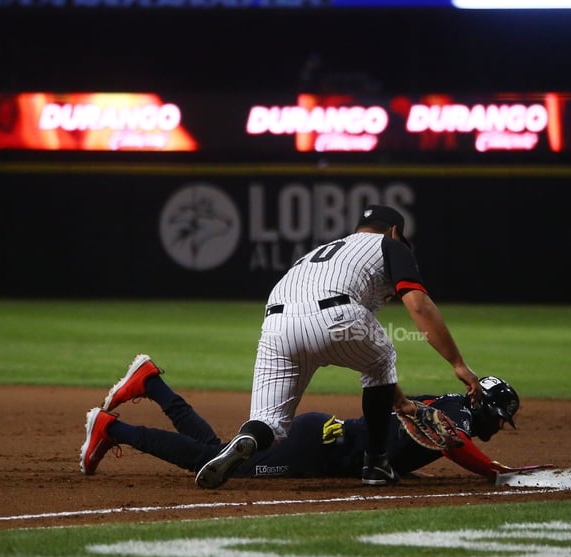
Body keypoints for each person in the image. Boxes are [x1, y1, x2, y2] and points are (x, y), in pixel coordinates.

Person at [195, 204, 483, 489]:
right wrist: (457, 363)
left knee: (269, 423)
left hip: (276, 326)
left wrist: (401, 403)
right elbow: (419, 306)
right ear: (394, 231)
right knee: (382, 358)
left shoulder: (317, 253)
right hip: (335, 315)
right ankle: (375, 464)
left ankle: (249, 438)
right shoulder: (391, 245)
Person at [80, 356, 535, 484]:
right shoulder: (455, 414)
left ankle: (152, 382)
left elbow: (448, 441)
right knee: (214, 464)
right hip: (317, 444)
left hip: (323, 435)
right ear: (484, 409)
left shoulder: (452, 407)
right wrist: (496, 471)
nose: (497, 427)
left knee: (219, 449)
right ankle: (111, 428)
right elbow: (455, 442)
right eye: (499, 419)